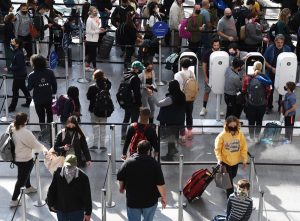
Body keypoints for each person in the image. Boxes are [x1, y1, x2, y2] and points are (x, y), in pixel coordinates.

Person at [117, 140, 167, 221]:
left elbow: (121, 178)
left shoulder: (128, 162)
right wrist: (163, 197)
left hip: (133, 201)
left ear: (137, 149)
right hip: (150, 201)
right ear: (149, 151)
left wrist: (121, 187)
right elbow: (160, 184)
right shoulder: (154, 164)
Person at [10, 112, 48, 207]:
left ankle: (28, 187)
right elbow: (35, 145)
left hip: (15, 157)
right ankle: (14, 200)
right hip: (24, 158)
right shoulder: (26, 133)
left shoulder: (12, 127)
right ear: (25, 121)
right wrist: (44, 149)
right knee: (21, 179)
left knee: (24, 172)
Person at [46, 154, 92, 221]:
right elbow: (52, 189)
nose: (69, 168)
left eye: (72, 166)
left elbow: (87, 196)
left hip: (77, 210)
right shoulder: (57, 173)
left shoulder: (83, 177)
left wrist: (88, 213)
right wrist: (50, 204)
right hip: (61, 209)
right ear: (64, 164)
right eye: (68, 165)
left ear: (76, 165)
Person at [151, 80, 185, 161]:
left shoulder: (170, 98)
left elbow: (158, 104)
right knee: (173, 136)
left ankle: (169, 155)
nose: (168, 87)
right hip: (178, 120)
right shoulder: (181, 95)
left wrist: (152, 95)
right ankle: (173, 150)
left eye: (169, 86)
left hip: (170, 121)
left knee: (170, 138)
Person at [214, 115, 248, 198]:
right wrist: (219, 159)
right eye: (231, 125)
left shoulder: (240, 134)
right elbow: (217, 148)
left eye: (234, 125)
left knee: (233, 176)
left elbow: (244, 147)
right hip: (225, 162)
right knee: (229, 182)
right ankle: (231, 199)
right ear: (227, 125)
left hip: (235, 161)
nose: (233, 127)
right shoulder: (222, 136)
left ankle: (226, 186)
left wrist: (244, 160)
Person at [242, 61, 272, 142]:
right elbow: (269, 90)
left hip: (251, 104)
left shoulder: (248, 77)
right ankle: (257, 137)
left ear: (253, 68)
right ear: (261, 68)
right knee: (259, 120)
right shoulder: (265, 78)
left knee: (251, 121)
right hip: (262, 104)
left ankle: (251, 137)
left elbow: (244, 90)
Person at [27, 54, 57, 131]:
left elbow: (29, 88)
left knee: (41, 117)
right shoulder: (50, 72)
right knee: (50, 115)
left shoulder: (32, 75)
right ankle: (50, 132)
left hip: (38, 99)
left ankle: (43, 133)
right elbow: (54, 84)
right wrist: (53, 93)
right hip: (48, 97)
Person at [263, 34, 291, 113]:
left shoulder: (287, 49)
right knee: (270, 90)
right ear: (275, 42)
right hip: (272, 71)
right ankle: (268, 106)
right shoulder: (270, 49)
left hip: (283, 72)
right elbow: (264, 60)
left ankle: (280, 106)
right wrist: (271, 68)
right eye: (278, 42)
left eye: (281, 42)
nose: (280, 44)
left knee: (282, 90)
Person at [87, 69, 112, 150]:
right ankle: (102, 145)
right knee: (103, 128)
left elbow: (88, 97)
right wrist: (106, 79)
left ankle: (94, 144)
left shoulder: (91, 87)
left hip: (93, 111)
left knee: (95, 128)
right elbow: (109, 83)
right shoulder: (106, 87)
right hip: (104, 111)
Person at [7, 38, 31, 112]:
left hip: (19, 75)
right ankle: (29, 101)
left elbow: (19, 65)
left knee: (15, 91)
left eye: (13, 42)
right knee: (23, 88)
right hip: (20, 74)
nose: (11, 43)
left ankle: (12, 107)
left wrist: (10, 68)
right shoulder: (17, 51)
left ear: (17, 44)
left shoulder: (19, 53)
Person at [174, 58, 195, 141]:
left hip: (181, 98)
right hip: (190, 98)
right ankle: (189, 133)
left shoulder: (178, 74)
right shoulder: (192, 73)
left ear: (181, 65)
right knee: (189, 115)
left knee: (181, 116)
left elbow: (176, 87)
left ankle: (182, 135)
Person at [121, 61, 143, 140]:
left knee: (126, 119)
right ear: (137, 69)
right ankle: (132, 137)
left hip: (126, 102)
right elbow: (137, 93)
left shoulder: (126, 75)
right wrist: (139, 104)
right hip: (134, 104)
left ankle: (123, 137)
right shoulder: (135, 79)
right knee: (134, 122)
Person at [199, 38, 221, 116]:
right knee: (206, 92)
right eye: (215, 45)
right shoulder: (207, 53)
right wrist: (205, 77)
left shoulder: (222, 53)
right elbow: (204, 65)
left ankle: (219, 108)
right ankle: (204, 108)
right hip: (209, 76)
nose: (216, 46)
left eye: (217, 45)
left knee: (218, 92)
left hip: (219, 77)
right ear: (212, 45)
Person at [85, 6, 106, 72]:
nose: (96, 12)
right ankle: (95, 68)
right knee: (93, 54)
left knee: (92, 54)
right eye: (94, 11)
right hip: (90, 40)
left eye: (96, 11)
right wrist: (98, 31)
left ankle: (87, 66)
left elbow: (95, 27)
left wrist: (99, 29)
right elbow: (88, 31)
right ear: (91, 12)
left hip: (95, 39)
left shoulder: (95, 18)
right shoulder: (89, 20)